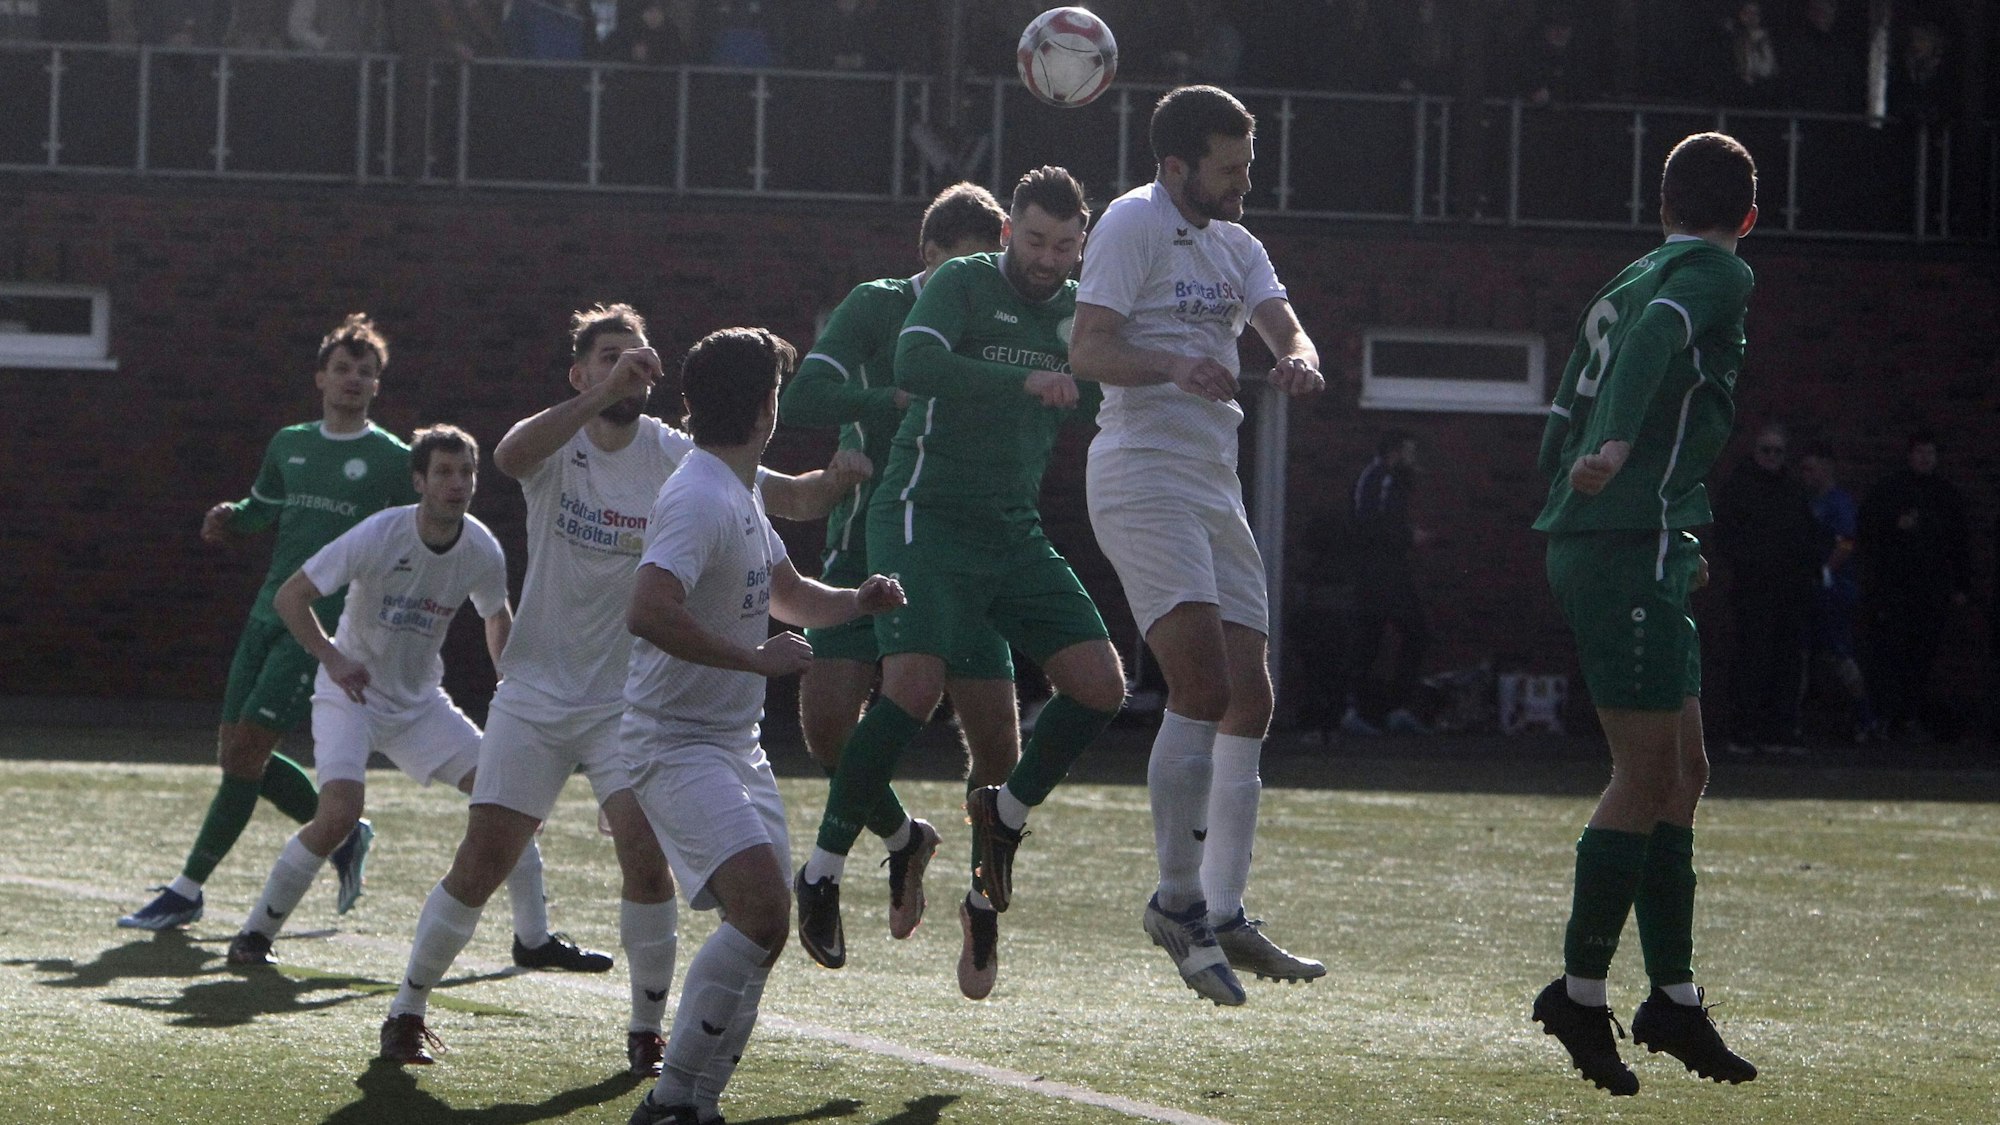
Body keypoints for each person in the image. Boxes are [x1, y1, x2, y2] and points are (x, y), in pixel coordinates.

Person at [378, 304, 869, 1071]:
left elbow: (780, 496)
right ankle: (406, 1008)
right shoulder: (558, 440)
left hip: (627, 703)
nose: (625, 369)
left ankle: (646, 1032)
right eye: (606, 358)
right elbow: (506, 455)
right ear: (580, 373)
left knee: (646, 863)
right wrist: (598, 394)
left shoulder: (676, 454)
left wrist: (836, 479)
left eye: (635, 356)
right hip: (536, 691)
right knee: (484, 859)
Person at [795, 166, 1129, 1003]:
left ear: (1080, 243)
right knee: (897, 694)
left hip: (1007, 528)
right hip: (918, 514)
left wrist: (1177, 371)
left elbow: (1097, 391)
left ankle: (987, 871)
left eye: (1065, 244)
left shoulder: (1075, 309)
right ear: (1008, 232)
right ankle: (824, 870)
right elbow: (913, 362)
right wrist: (1024, 379)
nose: (1049, 258)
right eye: (1035, 239)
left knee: (1095, 689)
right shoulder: (948, 286)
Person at [1068, 84, 1327, 1005]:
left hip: (1213, 480)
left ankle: (1224, 910)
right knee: (1202, 685)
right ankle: (1175, 902)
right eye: (1229, 168)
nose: (1243, 181)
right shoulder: (1132, 223)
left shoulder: (1236, 241)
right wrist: (1175, 363)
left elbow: (1278, 317)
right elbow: (1087, 349)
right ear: (1176, 167)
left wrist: (1297, 352)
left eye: (1247, 163)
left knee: (1251, 693)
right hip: (1142, 472)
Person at [1528, 131, 1763, 1096]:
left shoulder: (1626, 275)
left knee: (1685, 769)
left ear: (1661, 203)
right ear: (1748, 218)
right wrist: (1619, 459)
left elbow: (1557, 417)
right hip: (1627, 548)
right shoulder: (1710, 272)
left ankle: (1674, 995)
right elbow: (1659, 338)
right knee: (1645, 772)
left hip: (1641, 544)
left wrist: (1581, 500)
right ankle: (1581, 994)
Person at [623, 327, 904, 1125]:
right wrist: (755, 663)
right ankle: (671, 1098)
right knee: (762, 913)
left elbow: (786, 591)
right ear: (763, 407)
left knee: (767, 925)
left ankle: (698, 1104)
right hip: (671, 739)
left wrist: (857, 600)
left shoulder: (735, 485)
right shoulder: (699, 494)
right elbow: (647, 611)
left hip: (729, 743)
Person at [777, 183, 1015, 957]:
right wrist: (893, 399)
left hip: (967, 538)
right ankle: (901, 837)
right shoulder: (880, 306)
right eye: (957, 264)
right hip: (868, 533)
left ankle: (983, 903)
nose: (969, 281)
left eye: (986, 263)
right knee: (825, 728)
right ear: (927, 256)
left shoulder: (1006, 314)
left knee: (998, 752)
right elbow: (807, 390)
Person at [120, 315, 414, 932]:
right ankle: (345, 831)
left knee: (252, 749)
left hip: (322, 624)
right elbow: (265, 512)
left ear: (377, 387)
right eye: (343, 369)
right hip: (266, 612)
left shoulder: (393, 460)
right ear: (320, 378)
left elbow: (409, 542)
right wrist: (231, 517)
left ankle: (187, 889)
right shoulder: (289, 443)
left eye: (367, 372)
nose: (354, 379)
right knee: (235, 753)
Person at [223, 425, 547, 970]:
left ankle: (534, 941)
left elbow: (496, 615)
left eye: (466, 472)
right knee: (340, 814)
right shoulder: (379, 533)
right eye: (443, 472)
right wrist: (333, 658)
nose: (457, 484)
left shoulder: (481, 548)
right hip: (350, 696)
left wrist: (510, 685)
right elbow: (290, 597)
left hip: (421, 707)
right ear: (419, 480)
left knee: (505, 801)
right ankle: (255, 934)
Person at [1857, 429, 1972, 742]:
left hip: (1931, 594)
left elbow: (1959, 542)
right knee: (1890, 657)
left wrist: (1961, 585)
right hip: (1895, 593)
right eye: (1920, 452)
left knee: (1921, 659)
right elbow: (1869, 534)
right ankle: (1887, 717)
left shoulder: (1945, 495)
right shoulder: (1891, 492)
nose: (1924, 458)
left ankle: (1907, 717)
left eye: (1929, 453)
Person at [1711, 422, 1818, 754]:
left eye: (1778, 451)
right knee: (1750, 659)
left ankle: (1778, 731)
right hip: (1753, 590)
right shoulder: (1739, 489)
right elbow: (1725, 537)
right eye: (1766, 450)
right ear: (1755, 452)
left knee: (1786, 661)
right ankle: (1744, 730)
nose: (1772, 457)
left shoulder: (1793, 490)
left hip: (1789, 591)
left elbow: (1806, 536)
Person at [1336, 429, 1433, 737]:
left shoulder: (1389, 480)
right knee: (1383, 636)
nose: (1412, 459)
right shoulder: (1379, 477)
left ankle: (1385, 710)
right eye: (1408, 451)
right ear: (1396, 451)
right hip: (1377, 573)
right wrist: (1407, 536)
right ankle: (1363, 711)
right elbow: (1368, 522)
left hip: (1387, 570)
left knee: (1385, 637)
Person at [1796, 440, 1876, 742]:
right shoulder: (1805, 502)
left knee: (1839, 656)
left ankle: (1865, 718)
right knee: (1800, 655)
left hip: (1833, 592)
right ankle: (1792, 722)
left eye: (1810, 469)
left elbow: (1846, 542)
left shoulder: (1838, 503)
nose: (1804, 475)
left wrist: (1826, 571)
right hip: (1810, 591)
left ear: (1826, 468)